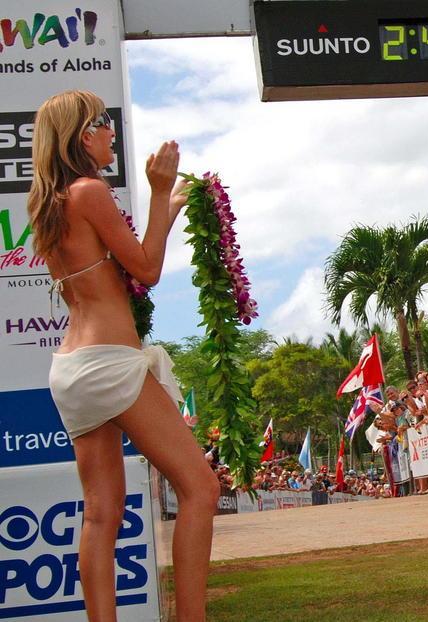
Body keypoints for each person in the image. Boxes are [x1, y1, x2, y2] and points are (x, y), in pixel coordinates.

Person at [28, 90, 217, 620]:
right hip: (108, 362)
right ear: (83, 135)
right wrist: (161, 196)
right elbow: (147, 269)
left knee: (101, 515)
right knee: (201, 488)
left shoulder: (50, 202)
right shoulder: (89, 191)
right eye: (104, 122)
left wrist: (168, 204)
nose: (113, 132)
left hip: (72, 370)